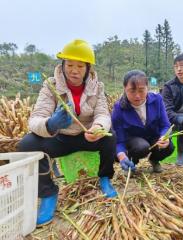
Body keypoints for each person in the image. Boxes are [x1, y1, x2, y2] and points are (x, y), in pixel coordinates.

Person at [17, 39, 117, 226]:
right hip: (60, 137)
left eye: (80, 66)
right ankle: (48, 193)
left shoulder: (98, 87)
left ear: (88, 68)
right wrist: (51, 125)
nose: (74, 70)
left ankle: (105, 178)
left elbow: (103, 113)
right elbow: (36, 118)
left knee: (111, 136)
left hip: (87, 136)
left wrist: (98, 128)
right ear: (62, 65)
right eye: (69, 65)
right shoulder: (51, 86)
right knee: (27, 144)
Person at [112, 70, 174, 173]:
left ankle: (154, 160)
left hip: (153, 137)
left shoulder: (157, 100)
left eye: (141, 90)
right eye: (132, 91)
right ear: (125, 89)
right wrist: (122, 156)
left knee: (169, 146)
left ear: (147, 88)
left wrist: (164, 137)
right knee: (142, 147)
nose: (137, 96)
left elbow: (165, 125)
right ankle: (131, 163)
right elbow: (119, 139)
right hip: (133, 142)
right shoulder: (119, 108)